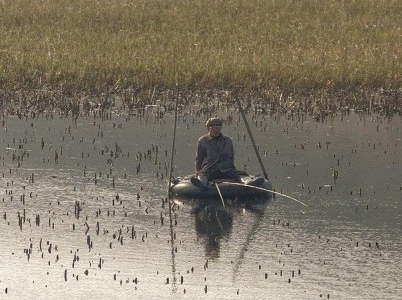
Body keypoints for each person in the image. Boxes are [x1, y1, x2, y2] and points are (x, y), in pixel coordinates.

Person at [191, 117, 263, 190]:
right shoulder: (203, 141)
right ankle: (202, 184)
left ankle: (248, 183)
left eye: (218, 125)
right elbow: (199, 158)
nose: (216, 127)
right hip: (210, 169)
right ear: (209, 127)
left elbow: (231, 156)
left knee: (240, 174)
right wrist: (197, 171)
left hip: (226, 169)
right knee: (202, 175)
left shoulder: (227, 140)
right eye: (213, 125)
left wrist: (230, 167)